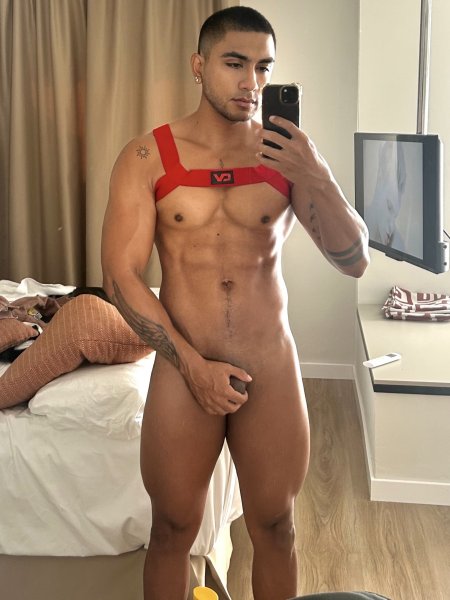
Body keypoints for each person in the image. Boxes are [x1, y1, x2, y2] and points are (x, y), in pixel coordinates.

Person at [101, 6, 369, 600]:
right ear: (198, 66)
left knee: (276, 527)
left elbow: (354, 260)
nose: (252, 82)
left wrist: (316, 173)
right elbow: (119, 277)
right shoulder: (148, 157)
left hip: (268, 363)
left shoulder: (287, 156)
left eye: (264, 67)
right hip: (183, 365)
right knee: (171, 530)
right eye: (235, 63)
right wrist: (191, 366)